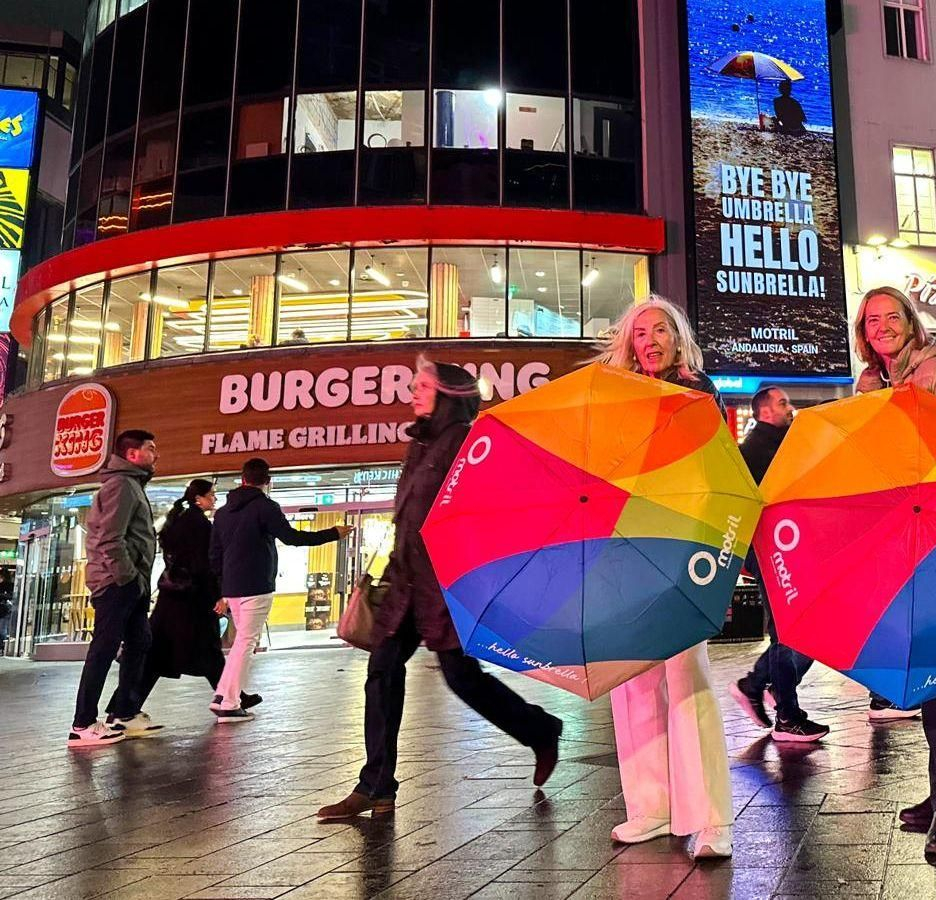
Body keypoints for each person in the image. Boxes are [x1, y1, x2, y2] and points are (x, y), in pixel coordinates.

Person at [319, 358, 564, 820]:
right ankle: (376, 786)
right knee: (382, 671)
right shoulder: (420, 445)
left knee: (461, 677)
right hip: (407, 583)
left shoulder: (466, 443)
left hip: (447, 585)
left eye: (423, 385)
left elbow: (487, 509)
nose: (413, 391)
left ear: (449, 393)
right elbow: (408, 519)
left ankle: (540, 730)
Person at [593, 297, 733, 861]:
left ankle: (712, 818)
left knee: (685, 674)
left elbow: (708, 471)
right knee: (632, 678)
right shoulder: (617, 397)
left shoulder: (696, 392)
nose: (649, 340)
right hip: (625, 547)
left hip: (677, 546)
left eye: (660, 330)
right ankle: (650, 806)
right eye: (639, 334)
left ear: (678, 339)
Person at [854, 286, 936, 857]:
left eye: (892, 317)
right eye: (872, 320)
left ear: (910, 322)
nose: (882, 326)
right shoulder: (871, 384)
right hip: (898, 538)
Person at [208, 458, 350, 721]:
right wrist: (333, 534)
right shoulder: (265, 507)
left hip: (233, 587)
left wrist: (223, 587)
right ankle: (228, 702)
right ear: (268, 481)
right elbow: (292, 538)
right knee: (245, 642)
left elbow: (214, 555)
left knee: (242, 641)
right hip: (257, 584)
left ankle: (223, 695)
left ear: (242, 479)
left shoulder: (223, 513)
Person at [729, 387, 829, 742]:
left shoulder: (784, 445)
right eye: (784, 403)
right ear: (764, 412)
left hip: (788, 550)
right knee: (791, 632)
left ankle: (757, 684)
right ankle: (786, 715)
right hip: (773, 555)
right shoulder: (757, 451)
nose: (791, 408)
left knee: (807, 630)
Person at [70, 429, 161, 747]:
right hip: (116, 583)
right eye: (151, 448)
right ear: (133, 454)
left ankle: (124, 712)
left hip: (130, 583)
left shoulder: (132, 485)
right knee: (104, 649)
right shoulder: (121, 485)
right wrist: (127, 578)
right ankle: (82, 725)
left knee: (140, 641)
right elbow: (110, 538)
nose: (156, 454)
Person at [135, 479, 259, 712]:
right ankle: (230, 696)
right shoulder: (199, 526)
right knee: (205, 651)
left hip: (173, 599)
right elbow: (204, 564)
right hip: (192, 601)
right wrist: (219, 595)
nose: (214, 499)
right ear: (198, 499)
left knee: (160, 656)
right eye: (211, 495)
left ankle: (232, 695)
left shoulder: (178, 522)